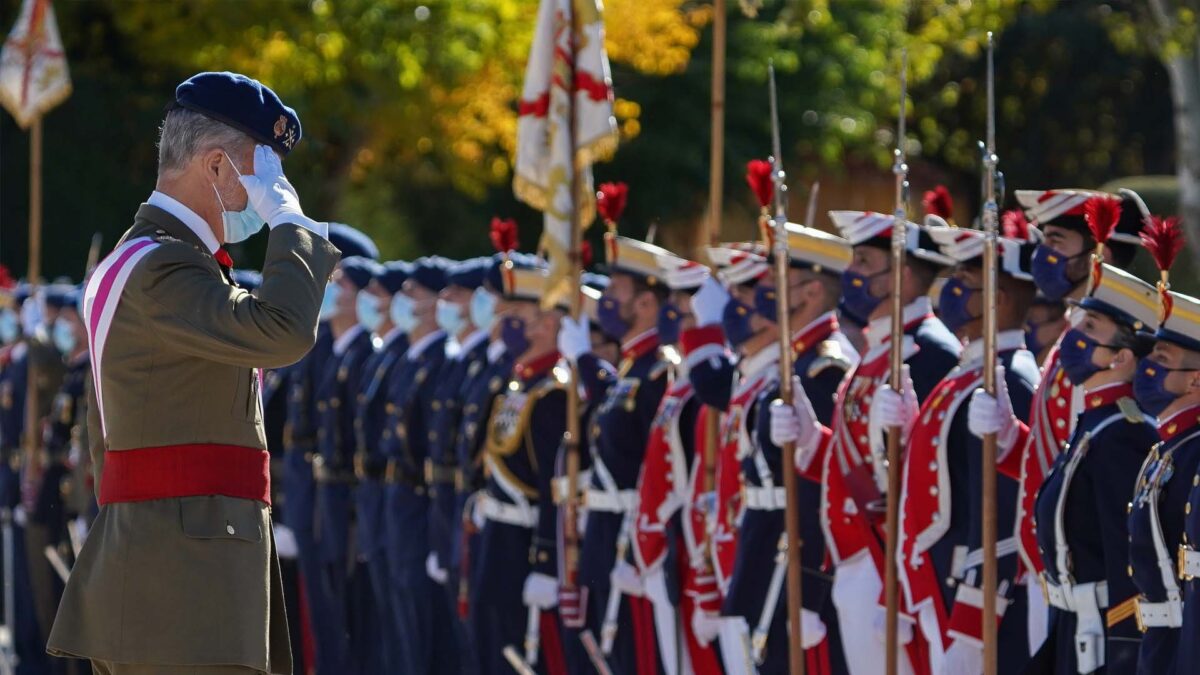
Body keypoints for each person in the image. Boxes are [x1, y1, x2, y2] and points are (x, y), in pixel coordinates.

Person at [47, 71, 340, 675]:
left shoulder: (150, 260)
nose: (267, 194)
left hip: (168, 570)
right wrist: (292, 222)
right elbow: (283, 329)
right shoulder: (163, 269)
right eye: (263, 176)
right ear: (215, 167)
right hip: (182, 585)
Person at [773, 209, 962, 675]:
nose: (850, 275)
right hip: (857, 562)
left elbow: (929, 479)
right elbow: (853, 463)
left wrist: (897, 587)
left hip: (890, 568)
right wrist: (809, 440)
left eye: (862, 262)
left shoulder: (928, 350)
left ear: (899, 274)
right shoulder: (880, 347)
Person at [975, 189, 1144, 656]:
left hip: (1093, 582)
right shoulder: (1071, 340)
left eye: (1056, 242)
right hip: (1050, 570)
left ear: (1100, 254)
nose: (1042, 257)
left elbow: (1109, 474)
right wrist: (1010, 438)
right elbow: (1061, 461)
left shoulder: (1115, 342)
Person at [868, 225, 1040, 674]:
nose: (951, 289)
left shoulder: (1010, 376)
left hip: (973, 593)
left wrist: (973, 609)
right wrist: (905, 432)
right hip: (937, 576)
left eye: (965, 280)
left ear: (997, 299)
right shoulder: (971, 370)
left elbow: (1006, 507)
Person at [1032, 261, 1159, 674]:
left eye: (1090, 329)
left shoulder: (1124, 432)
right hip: (1072, 626)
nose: (1072, 337)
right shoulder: (1096, 422)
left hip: (1100, 637)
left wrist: (1122, 652)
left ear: (1121, 356)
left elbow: (1129, 560)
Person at [744, 223, 859, 675]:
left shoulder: (827, 366)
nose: (766, 292)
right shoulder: (796, 360)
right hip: (770, 549)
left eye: (778, 282)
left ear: (812, 291)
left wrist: (812, 584)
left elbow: (826, 488)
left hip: (799, 563)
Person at [559, 232, 671, 674]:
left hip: (630, 535)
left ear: (645, 304)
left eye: (616, 292)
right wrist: (586, 360)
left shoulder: (659, 370)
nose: (605, 301)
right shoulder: (630, 368)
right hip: (605, 531)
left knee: (632, 654)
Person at [279, 223, 377, 675]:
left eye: (334, 277)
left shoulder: (363, 356)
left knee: (349, 621)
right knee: (321, 618)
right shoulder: (316, 345)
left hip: (345, 502)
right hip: (311, 495)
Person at [471, 256, 568, 674]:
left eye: (517, 316)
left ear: (547, 322)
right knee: (489, 646)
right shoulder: (520, 382)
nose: (504, 324)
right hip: (497, 534)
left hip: (523, 542)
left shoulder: (553, 393)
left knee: (517, 653)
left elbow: (553, 483)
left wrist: (546, 561)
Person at [682, 243, 775, 673]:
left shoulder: (780, 374)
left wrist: (705, 330)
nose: (733, 308)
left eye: (742, 296)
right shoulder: (749, 369)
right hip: (732, 556)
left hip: (766, 562)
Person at [628, 252, 720, 675]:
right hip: (665, 548)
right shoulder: (682, 378)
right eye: (679, 313)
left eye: (689, 313)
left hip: (692, 552)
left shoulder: (705, 382)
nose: (681, 324)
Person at [382, 256, 458, 673]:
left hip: (421, 501)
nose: (404, 300)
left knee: (423, 620)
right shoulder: (408, 359)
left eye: (415, 293)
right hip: (399, 502)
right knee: (400, 613)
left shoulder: (441, 361)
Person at [1129, 263, 1200, 674]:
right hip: (1159, 643)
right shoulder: (1167, 448)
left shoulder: (1192, 452)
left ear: (1194, 381)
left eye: (1161, 358)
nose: (1148, 367)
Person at [352, 260, 410, 674]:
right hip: (378, 493)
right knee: (387, 612)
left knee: (413, 621)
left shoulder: (403, 356)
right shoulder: (382, 355)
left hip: (411, 498)